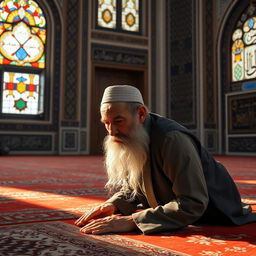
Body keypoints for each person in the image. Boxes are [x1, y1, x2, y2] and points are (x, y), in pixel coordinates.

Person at [75, 85, 256, 235]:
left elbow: (193, 203)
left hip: (216, 210)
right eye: (106, 123)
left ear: (141, 113)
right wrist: (114, 204)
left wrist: (132, 221)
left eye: (118, 121)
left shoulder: (172, 139)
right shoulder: (135, 136)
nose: (111, 131)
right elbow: (135, 185)